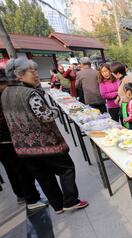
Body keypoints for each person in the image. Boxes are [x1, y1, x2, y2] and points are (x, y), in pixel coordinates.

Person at [1, 58, 88, 214]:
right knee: (66, 169)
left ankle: (58, 206)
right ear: (19, 75)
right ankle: (70, 201)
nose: (35, 74)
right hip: (46, 144)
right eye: (32, 71)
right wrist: (55, 109)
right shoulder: (29, 93)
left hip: (23, 148)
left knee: (44, 177)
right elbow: (45, 115)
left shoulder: (5, 93)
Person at [0, 68, 47, 211]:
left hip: (6, 140)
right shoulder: (3, 97)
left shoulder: (4, 95)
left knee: (12, 169)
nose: (6, 87)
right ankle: (31, 199)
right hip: (8, 139)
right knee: (21, 170)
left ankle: (21, 195)